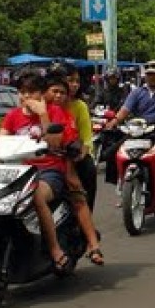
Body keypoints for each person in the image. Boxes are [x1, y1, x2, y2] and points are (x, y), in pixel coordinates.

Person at [0, 70, 87, 272]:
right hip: (19, 172)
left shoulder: (54, 112)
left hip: (49, 171)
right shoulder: (12, 116)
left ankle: (55, 250)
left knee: (35, 195)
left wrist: (43, 114)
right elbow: (1, 138)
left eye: (31, 92)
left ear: (41, 94)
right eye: (22, 92)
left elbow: (54, 142)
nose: (26, 97)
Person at [42, 71, 104, 265]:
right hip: (34, 164)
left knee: (80, 191)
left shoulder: (69, 111)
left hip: (67, 159)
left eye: (75, 82)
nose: (72, 86)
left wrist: (77, 155)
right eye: (25, 93)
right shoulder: (19, 113)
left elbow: (79, 139)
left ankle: (90, 239)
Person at [103, 60, 155, 201]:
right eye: (149, 74)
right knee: (111, 153)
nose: (152, 77)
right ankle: (120, 185)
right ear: (144, 76)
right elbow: (125, 110)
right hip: (138, 129)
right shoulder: (137, 92)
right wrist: (115, 121)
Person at [50, 63, 99, 211]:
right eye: (70, 80)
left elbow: (86, 139)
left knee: (89, 169)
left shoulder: (80, 106)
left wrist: (79, 155)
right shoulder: (42, 106)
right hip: (47, 156)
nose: (75, 85)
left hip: (73, 154)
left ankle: (86, 214)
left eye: (77, 81)